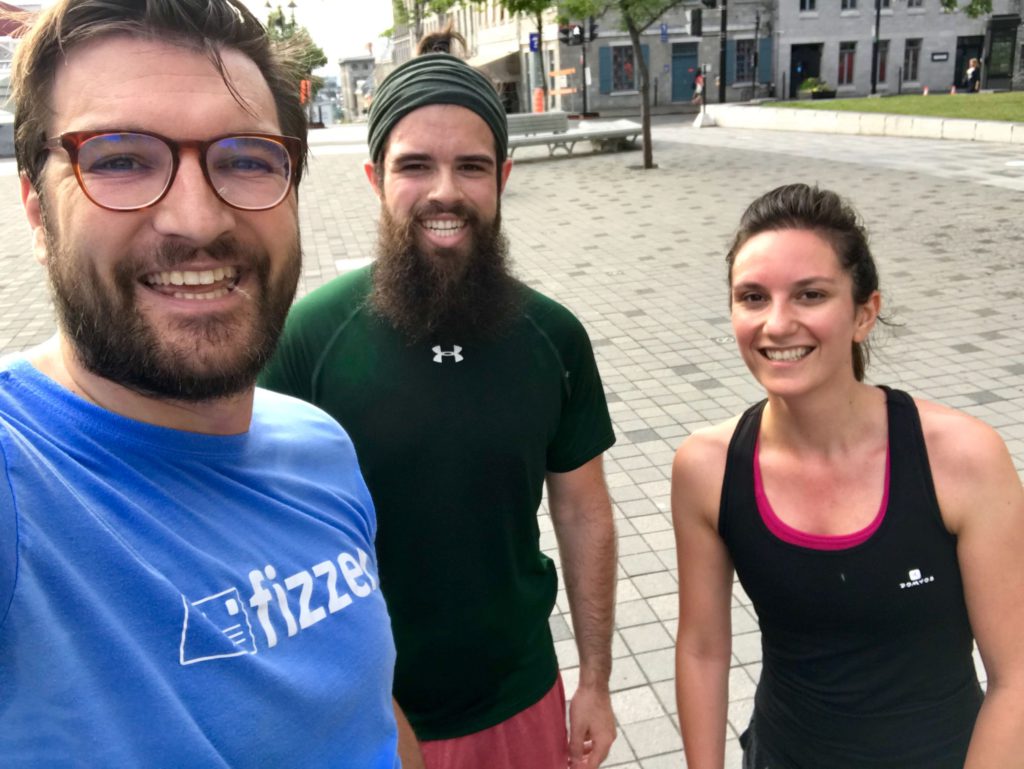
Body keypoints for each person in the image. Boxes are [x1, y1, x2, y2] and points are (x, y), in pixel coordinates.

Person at [0, 1, 401, 766]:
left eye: (246, 158)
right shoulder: (21, 480)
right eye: (119, 158)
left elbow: (368, 708)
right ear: (35, 210)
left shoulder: (321, 445)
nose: (195, 216)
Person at [260, 51, 618, 769]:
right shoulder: (308, 338)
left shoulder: (555, 338)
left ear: (504, 179)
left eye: (473, 167)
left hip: (518, 695)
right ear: (375, 179)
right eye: (415, 166)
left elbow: (584, 512)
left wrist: (597, 681)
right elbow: (265, 536)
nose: (444, 192)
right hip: (361, 711)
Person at [672, 183, 1024, 769]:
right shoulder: (707, 469)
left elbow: (1015, 676)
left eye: (810, 295)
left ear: (864, 314)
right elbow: (704, 649)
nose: (777, 324)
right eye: (753, 297)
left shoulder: (962, 459)